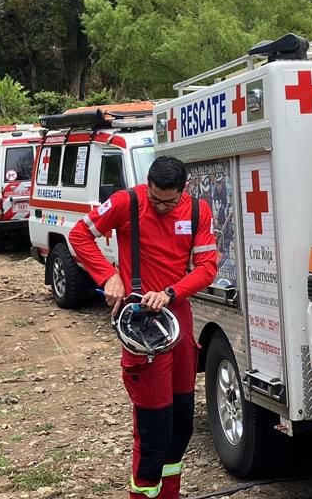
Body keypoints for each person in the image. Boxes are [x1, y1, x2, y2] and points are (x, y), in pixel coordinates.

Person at [69, 157, 219, 499]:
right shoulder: (127, 202)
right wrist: (109, 276)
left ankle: (170, 494)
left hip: (178, 321)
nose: (162, 207)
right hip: (142, 329)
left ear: (183, 191)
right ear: (147, 185)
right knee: (154, 431)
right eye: (155, 200)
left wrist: (170, 293)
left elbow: (207, 267)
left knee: (181, 425)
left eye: (169, 201)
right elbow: (81, 235)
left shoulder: (197, 211)